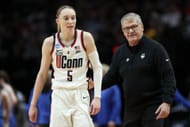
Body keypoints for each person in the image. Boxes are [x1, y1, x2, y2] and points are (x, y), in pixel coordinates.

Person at [28, 5, 103, 127]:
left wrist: (97, 97)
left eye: (73, 18)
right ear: (58, 21)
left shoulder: (85, 38)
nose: (70, 21)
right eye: (66, 18)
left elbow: (97, 67)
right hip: (59, 95)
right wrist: (33, 104)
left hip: (80, 93)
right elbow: (42, 75)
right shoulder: (49, 43)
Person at [102, 12, 176, 127]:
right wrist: (94, 85)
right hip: (131, 109)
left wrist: (167, 102)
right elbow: (111, 77)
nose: (130, 31)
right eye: (126, 28)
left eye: (133, 27)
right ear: (123, 32)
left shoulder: (156, 48)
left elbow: (168, 76)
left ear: (141, 27)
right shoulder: (120, 52)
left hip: (153, 106)